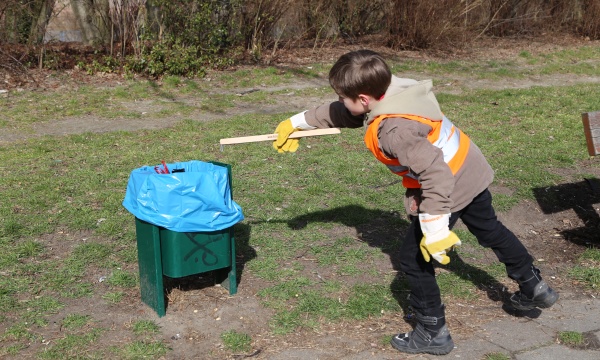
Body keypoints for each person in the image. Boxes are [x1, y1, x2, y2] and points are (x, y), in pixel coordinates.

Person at [272, 50, 558, 356]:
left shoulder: (395, 131)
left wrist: (435, 228)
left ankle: (433, 331)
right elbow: (348, 113)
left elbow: (436, 175)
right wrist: (298, 122)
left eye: (343, 97)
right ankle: (534, 286)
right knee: (489, 229)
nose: (341, 102)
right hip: (470, 166)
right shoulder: (395, 91)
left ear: (365, 98)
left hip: (448, 182)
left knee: (413, 258)